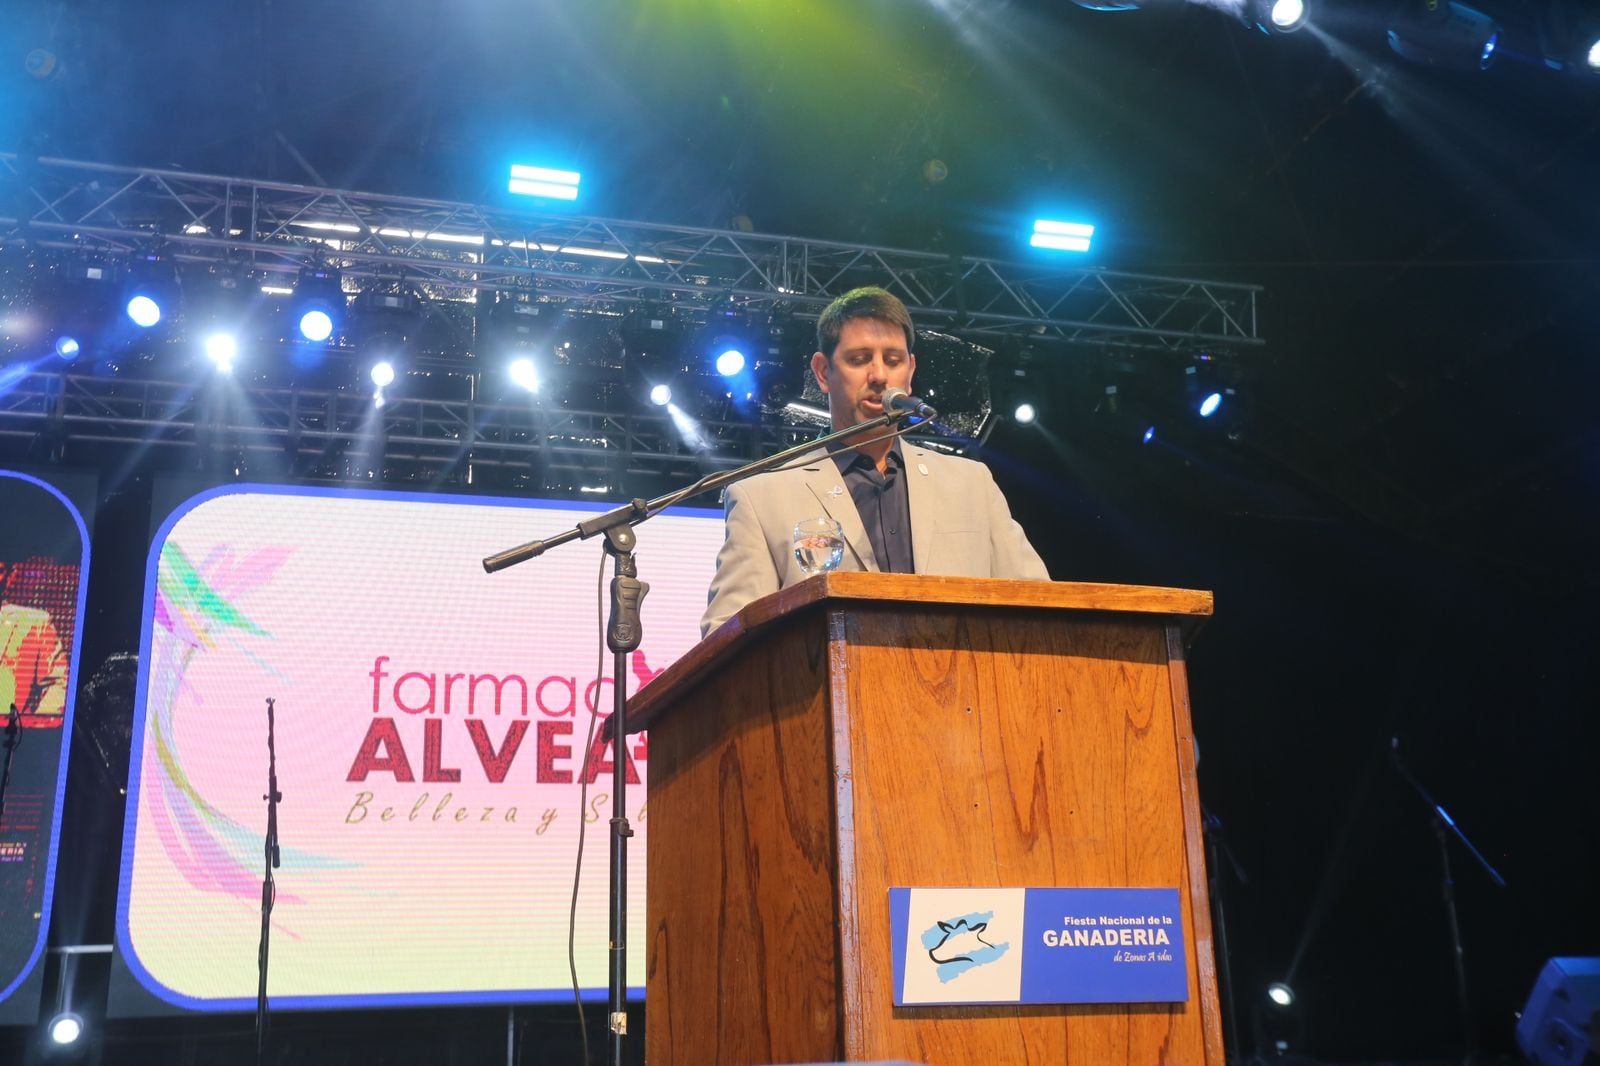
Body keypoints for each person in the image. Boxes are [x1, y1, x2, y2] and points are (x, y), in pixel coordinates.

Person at [701, 286, 1049, 637]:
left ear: (910, 371)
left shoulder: (971, 484)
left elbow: (1040, 605)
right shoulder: (761, 498)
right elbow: (726, 637)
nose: (879, 376)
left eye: (893, 360)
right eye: (859, 359)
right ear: (823, 372)